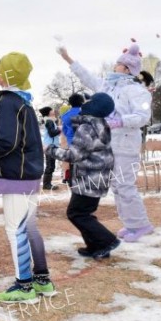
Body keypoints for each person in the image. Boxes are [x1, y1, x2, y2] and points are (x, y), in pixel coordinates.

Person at [58, 44, 154, 242]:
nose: (115, 65)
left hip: (126, 145)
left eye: (119, 63)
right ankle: (132, 224)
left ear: (127, 69)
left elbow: (143, 116)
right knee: (118, 187)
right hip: (109, 144)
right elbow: (86, 77)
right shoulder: (107, 86)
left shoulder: (137, 91)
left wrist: (120, 121)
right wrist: (68, 58)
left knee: (125, 185)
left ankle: (140, 224)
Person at [0, 52, 55, 304]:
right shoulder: (24, 102)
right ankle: (42, 280)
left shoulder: (8, 103)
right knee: (29, 226)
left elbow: (7, 142)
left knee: (16, 229)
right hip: (29, 173)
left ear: (6, 75)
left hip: (18, 175)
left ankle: (24, 285)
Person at [47, 93, 121, 259]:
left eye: (89, 101)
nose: (85, 103)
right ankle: (95, 247)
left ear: (93, 107)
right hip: (98, 177)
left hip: (89, 178)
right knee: (84, 213)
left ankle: (107, 241)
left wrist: (50, 150)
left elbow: (74, 155)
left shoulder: (87, 128)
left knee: (76, 214)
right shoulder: (101, 124)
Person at [39, 106, 61, 190]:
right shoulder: (49, 121)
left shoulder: (50, 120)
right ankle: (46, 185)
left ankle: (47, 184)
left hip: (50, 145)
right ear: (48, 112)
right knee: (50, 166)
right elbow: (52, 133)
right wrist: (60, 129)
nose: (53, 110)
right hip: (50, 146)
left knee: (51, 165)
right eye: (51, 110)